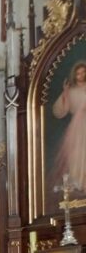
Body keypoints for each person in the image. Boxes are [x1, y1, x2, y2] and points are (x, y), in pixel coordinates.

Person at [53, 61, 86, 193]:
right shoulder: (71, 91)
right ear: (74, 75)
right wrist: (66, 93)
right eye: (78, 73)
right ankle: (79, 181)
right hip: (77, 126)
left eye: (83, 72)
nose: (81, 75)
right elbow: (64, 110)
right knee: (77, 153)